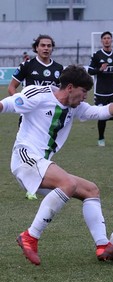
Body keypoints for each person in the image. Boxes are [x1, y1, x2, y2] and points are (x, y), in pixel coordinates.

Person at [0, 65, 113, 266]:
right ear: (70, 87)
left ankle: (103, 245)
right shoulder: (38, 94)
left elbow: (104, 111)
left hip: (42, 164)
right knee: (68, 184)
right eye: (83, 93)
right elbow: (7, 105)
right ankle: (30, 236)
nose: (84, 98)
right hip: (25, 158)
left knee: (90, 190)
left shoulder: (76, 107)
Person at [8, 34, 64, 201]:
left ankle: (38, 181)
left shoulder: (59, 69)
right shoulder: (27, 65)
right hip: (30, 117)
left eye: (49, 45)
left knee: (45, 150)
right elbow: (12, 87)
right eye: (43, 45)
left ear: (52, 48)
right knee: (27, 149)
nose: (46, 48)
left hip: (50, 118)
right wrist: (21, 104)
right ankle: (30, 186)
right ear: (36, 48)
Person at [88, 31, 113, 147]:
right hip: (100, 92)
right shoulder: (97, 55)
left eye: (109, 38)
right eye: (104, 38)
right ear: (101, 41)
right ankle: (101, 138)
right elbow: (89, 71)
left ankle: (102, 117)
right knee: (102, 115)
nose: (107, 40)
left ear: (112, 40)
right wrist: (100, 70)